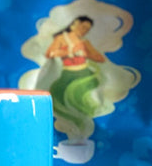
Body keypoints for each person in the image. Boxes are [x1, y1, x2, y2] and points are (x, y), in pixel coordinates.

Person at [43, 15, 106, 143]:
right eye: (82, 27)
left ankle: (84, 131)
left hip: (84, 73)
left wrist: (86, 52)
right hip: (68, 73)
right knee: (59, 96)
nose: (84, 31)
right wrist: (68, 52)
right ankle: (69, 129)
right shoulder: (61, 39)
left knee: (84, 101)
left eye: (87, 30)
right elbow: (49, 53)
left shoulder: (84, 43)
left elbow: (100, 58)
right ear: (74, 24)